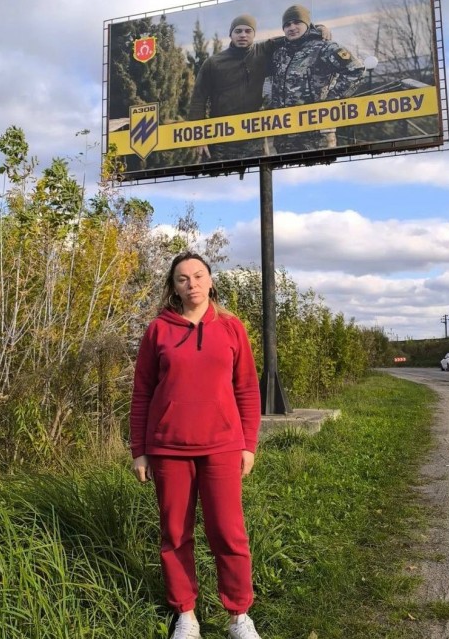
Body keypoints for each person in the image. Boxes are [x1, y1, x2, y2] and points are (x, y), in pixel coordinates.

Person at [130, 251, 263, 639]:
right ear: (173, 287)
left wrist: (248, 444)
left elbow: (247, 390)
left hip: (222, 445)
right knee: (174, 533)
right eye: (183, 278)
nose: (192, 284)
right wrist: (139, 449)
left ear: (211, 281)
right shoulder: (158, 330)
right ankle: (185, 614)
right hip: (168, 447)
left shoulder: (231, 328)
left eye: (199, 276)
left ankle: (239, 615)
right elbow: (142, 393)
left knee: (228, 531)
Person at [265, 4, 365, 154]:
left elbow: (355, 70)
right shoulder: (280, 53)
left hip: (317, 134)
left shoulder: (323, 47)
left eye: (297, 22)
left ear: (307, 24)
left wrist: (332, 99)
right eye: (287, 25)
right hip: (285, 135)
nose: (292, 27)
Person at [188, 14, 283, 163]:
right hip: (221, 136)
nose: (243, 35)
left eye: (247, 31)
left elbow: (294, 35)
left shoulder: (262, 52)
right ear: (231, 34)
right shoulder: (213, 63)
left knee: (261, 176)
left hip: (254, 135)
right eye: (238, 31)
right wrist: (198, 137)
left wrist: (319, 29)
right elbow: (198, 100)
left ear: (254, 34)